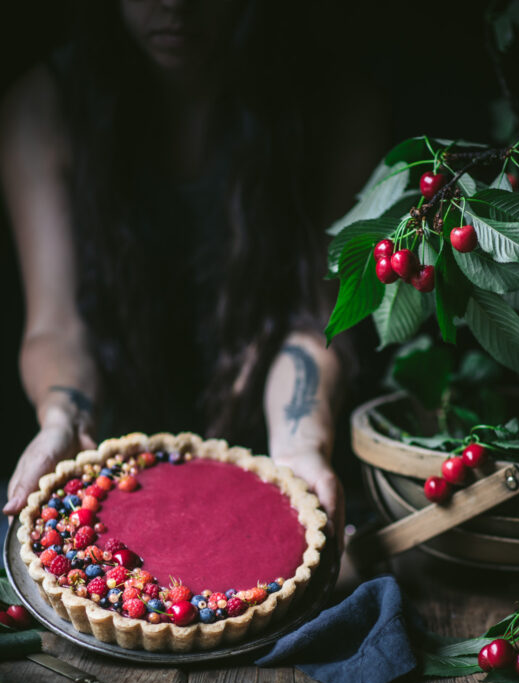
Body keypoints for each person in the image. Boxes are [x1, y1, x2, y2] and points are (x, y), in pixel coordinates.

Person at [0, 1, 387, 547]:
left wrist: (301, 445)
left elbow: (315, 317)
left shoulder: (338, 108)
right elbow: (57, 326)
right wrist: (62, 419)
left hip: (264, 472)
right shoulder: (41, 109)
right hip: (108, 488)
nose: (175, 5)